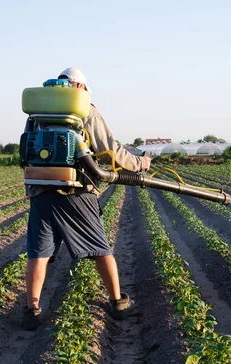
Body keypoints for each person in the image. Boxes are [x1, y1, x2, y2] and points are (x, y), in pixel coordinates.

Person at [22, 67, 151, 330]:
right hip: (76, 190)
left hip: (39, 187)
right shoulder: (83, 109)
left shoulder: (38, 112)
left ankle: (31, 310)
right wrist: (140, 163)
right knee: (100, 247)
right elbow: (109, 151)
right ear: (80, 87)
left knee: (39, 253)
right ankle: (118, 302)